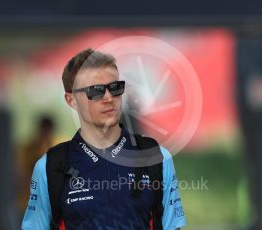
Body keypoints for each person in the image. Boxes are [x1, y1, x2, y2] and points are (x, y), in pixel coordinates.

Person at [21, 48, 187, 229]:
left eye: (115, 88)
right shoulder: (49, 165)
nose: (109, 98)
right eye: (96, 91)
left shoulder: (158, 157)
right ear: (71, 100)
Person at [17, 116, 56, 214]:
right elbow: (22, 173)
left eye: (47, 131)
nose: (45, 134)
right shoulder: (29, 148)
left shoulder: (58, 147)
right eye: (44, 131)